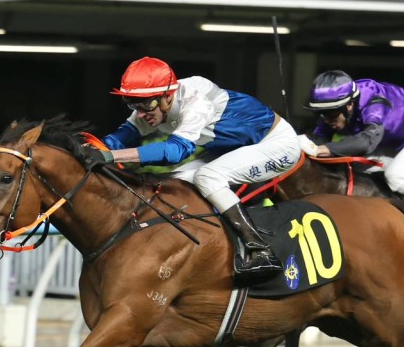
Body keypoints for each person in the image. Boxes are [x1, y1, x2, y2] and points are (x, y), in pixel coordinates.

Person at [92, 56, 301, 283]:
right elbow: (121, 137)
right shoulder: (152, 102)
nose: (141, 113)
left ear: (168, 96)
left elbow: (175, 152)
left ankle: (260, 250)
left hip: (276, 144)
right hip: (229, 147)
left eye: (147, 105)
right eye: (133, 105)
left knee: (207, 177)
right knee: (172, 184)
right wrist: (85, 148)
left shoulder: (196, 101)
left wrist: (110, 157)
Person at [299, 70, 404, 228]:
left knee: (397, 176)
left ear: (349, 105)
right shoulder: (336, 107)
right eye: (321, 113)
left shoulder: (375, 102)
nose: (326, 119)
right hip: (392, 141)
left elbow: (367, 142)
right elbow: (319, 141)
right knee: (347, 167)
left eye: (330, 114)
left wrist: (322, 149)